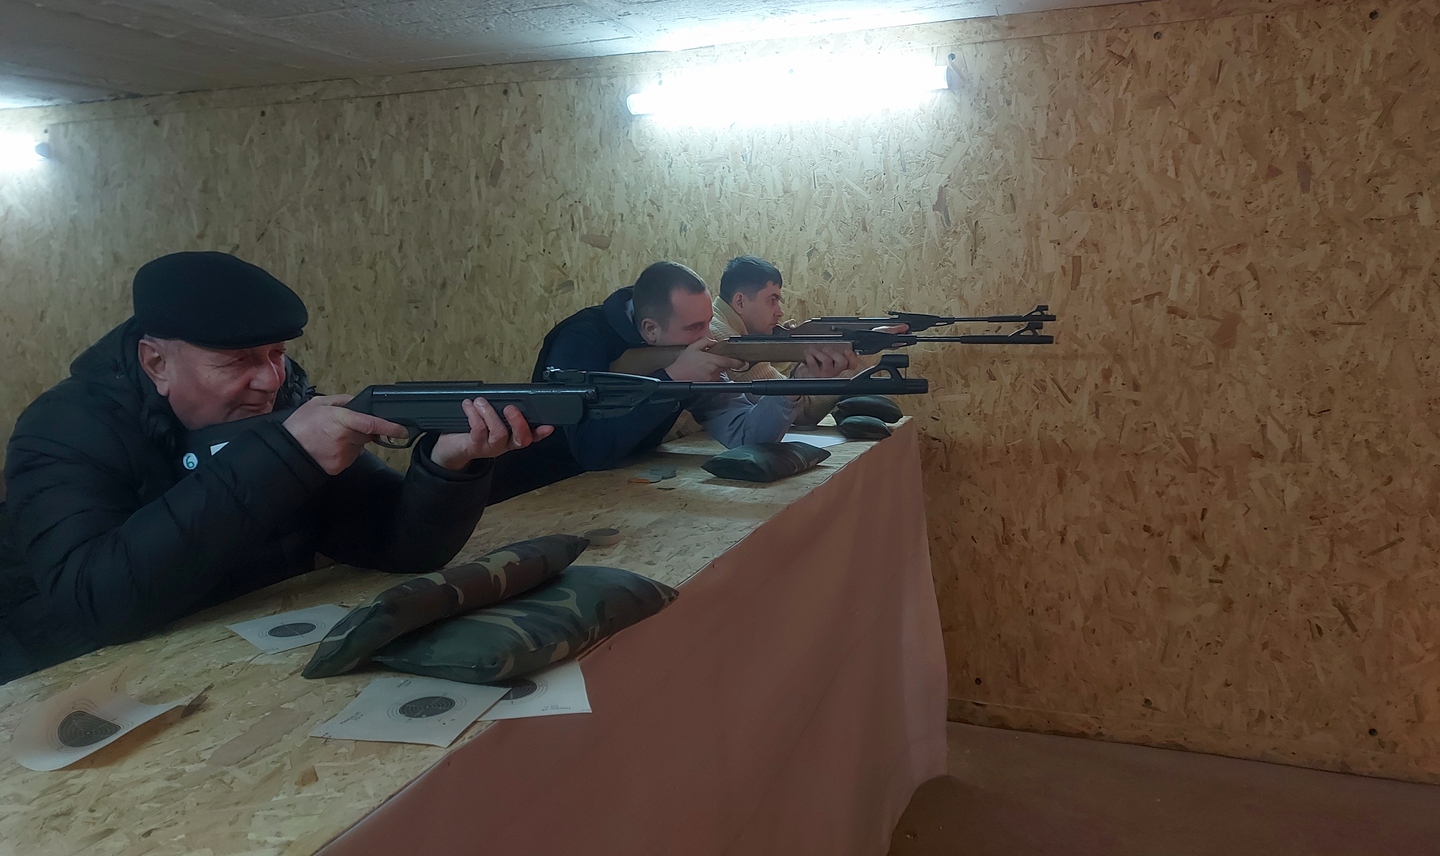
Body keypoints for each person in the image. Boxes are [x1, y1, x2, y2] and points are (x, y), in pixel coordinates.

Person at [0, 251, 549, 683]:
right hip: (84, 690)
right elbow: (94, 602)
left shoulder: (283, 399)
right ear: (156, 362)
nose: (269, 380)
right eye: (236, 361)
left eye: (276, 353)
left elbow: (400, 545)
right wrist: (285, 456)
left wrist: (449, 465)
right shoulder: (63, 429)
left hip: (243, 666)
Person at [489, 261, 850, 500]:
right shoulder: (582, 341)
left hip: (620, 495)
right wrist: (673, 379)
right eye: (694, 327)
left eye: (708, 323)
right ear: (650, 329)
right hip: (532, 496)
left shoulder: (684, 351)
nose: (707, 336)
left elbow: (746, 436)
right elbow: (590, 452)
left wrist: (796, 384)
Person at [710, 255, 860, 425]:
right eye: (772, 301)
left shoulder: (719, 325)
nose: (780, 312)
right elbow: (799, 413)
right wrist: (856, 363)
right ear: (740, 302)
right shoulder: (723, 339)